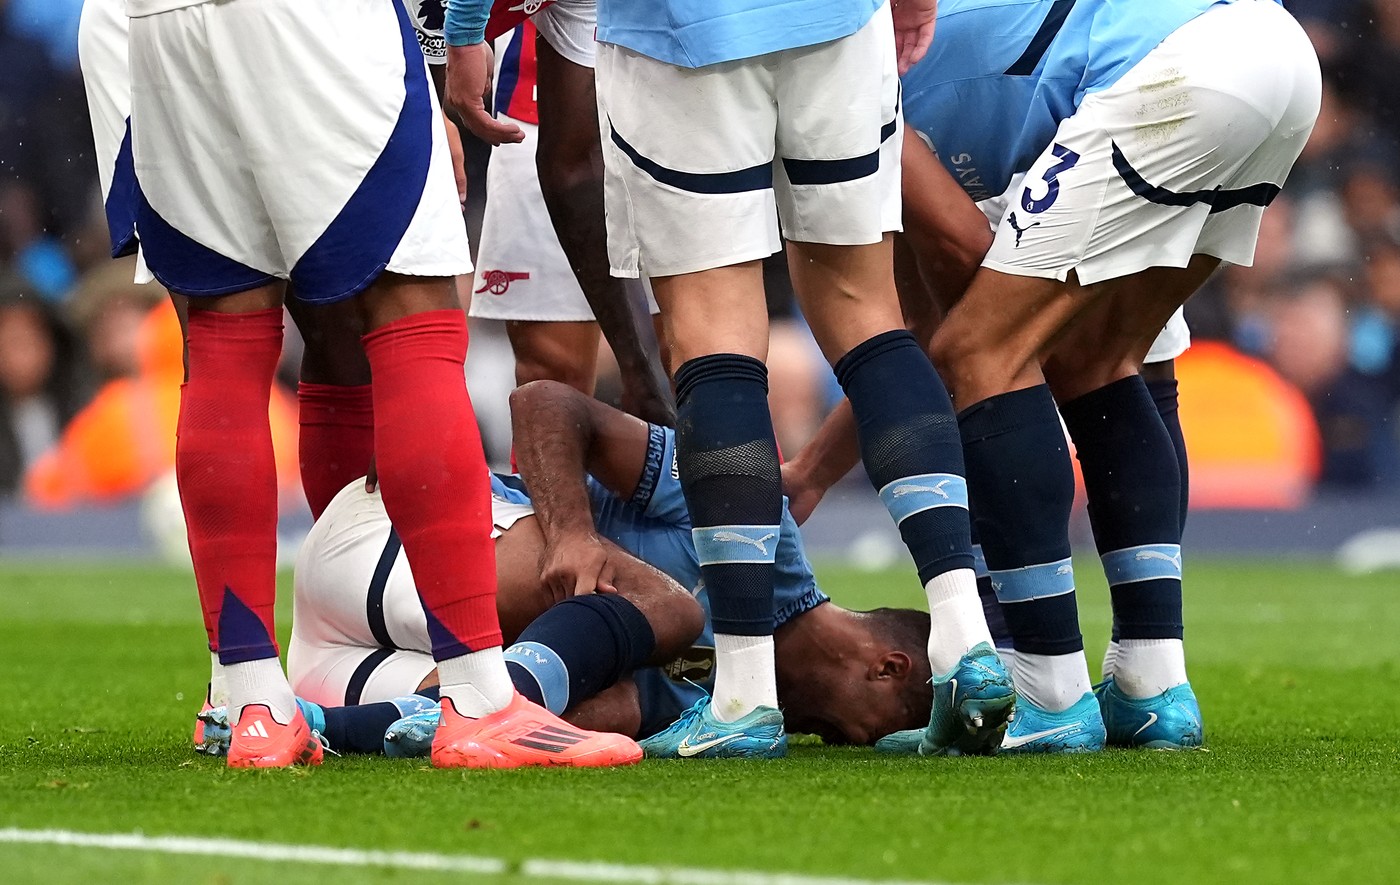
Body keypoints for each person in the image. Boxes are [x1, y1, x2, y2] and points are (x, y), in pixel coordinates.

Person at [122, 0, 640, 769]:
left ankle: (254, 701)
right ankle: (480, 699)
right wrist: (460, 34)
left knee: (225, 337)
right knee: (415, 317)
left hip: (159, 21)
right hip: (317, 20)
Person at [511, 0, 1008, 760]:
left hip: (686, 31)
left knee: (714, 334)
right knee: (869, 317)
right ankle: (965, 633)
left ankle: (744, 696)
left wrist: (465, 30)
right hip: (839, 22)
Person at [882, 0, 1316, 752]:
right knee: (1100, 354)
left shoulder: (848, 73)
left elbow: (951, 264)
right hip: (1276, 56)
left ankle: (1048, 688)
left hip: (1183, 72)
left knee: (981, 354)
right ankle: (1153, 682)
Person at [198, 381, 934, 756]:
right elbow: (543, 404)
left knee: (613, 712)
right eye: (876, 729)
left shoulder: (710, 712)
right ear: (888, 666)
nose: (848, 743)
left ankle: (299, 723)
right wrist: (573, 535)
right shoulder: (754, 519)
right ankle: (469, 705)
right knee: (668, 609)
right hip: (389, 536)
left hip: (343, 664)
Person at [431, 0, 675, 425]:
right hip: (534, 95)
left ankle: (736, 484)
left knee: (699, 351)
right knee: (550, 374)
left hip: (679, 86)